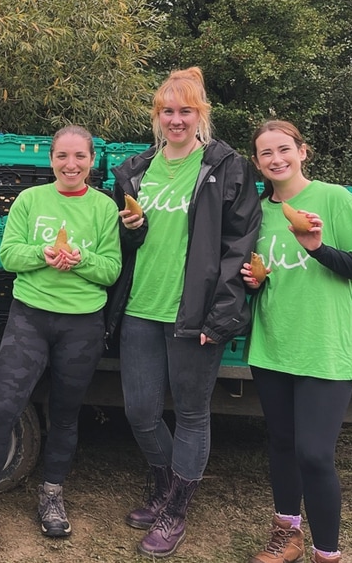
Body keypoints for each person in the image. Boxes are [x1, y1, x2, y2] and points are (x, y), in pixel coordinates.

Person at [106, 67, 261, 557]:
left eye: (185, 111)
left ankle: (175, 510)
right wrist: (130, 228)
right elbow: (129, 243)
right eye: (167, 111)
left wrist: (222, 315)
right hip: (140, 309)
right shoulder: (134, 169)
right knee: (140, 411)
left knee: (192, 413)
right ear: (157, 116)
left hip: (192, 313)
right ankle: (165, 487)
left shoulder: (224, 166)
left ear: (201, 115)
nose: (176, 119)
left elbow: (240, 245)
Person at [0, 126, 122, 560]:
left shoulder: (105, 208)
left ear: (92, 161)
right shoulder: (31, 200)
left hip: (82, 325)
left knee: (66, 414)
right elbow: (5, 256)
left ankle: (51, 494)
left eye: (80, 157)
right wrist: (44, 254)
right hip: (30, 318)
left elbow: (110, 270)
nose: (71, 165)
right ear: (50, 159)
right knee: (2, 409)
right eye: (62, 156)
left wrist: (82, 259)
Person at [241, 121, 352, 563]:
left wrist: (318, 248)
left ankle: (327, 553)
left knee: (315, 454)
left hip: (324, 348)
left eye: (284, 149)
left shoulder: (335, 199)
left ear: (304, 152)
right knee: (281, 443)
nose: (276, 159)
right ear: (257, 163)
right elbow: (261, 275)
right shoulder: (256, 212)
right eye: (266, 154)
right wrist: (253, 281)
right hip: (273, 345)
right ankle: (288, 534)